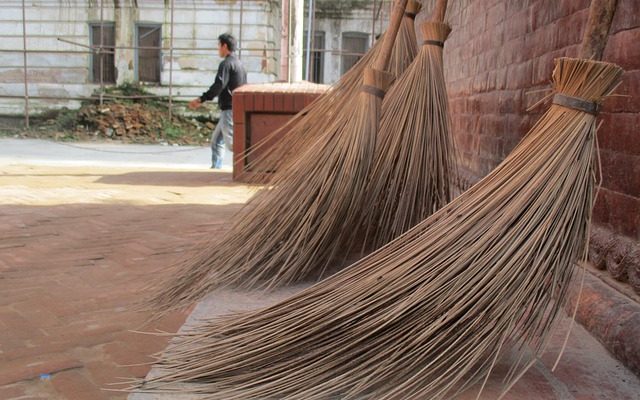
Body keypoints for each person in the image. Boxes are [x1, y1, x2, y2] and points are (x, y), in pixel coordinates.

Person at [189, 33, 247, 169]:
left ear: (224, 46)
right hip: (234, 107)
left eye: (218, 46)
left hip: (229, 109)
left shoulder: (226, 64)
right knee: (216, 141)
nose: (218, 49)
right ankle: (216, 167)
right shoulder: (239, 64)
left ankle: (247, 166)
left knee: (233, 144)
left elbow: (219, 85)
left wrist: (202, 99)